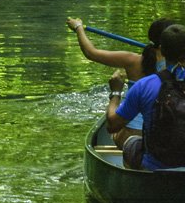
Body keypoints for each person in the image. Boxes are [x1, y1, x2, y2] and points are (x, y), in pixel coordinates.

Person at [105, 24, 185, 171]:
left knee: (132, 142)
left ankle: (139, 181)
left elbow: (113, 126)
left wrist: (116, 92)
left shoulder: (144, 86)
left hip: (152, 168)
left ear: (161, 50)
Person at [66, 17, 175, 146]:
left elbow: (91, 53)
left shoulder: (132, 61)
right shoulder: (183, 65)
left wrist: (78, 27)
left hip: (131, 136)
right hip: (165, 137)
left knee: (114, 127)